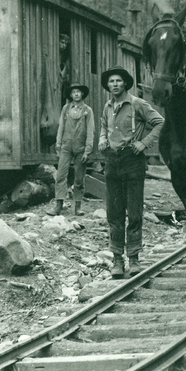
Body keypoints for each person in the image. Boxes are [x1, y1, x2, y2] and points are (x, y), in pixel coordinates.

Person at [98, 65, 165, 279]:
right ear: (108, 85)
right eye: (111, 81)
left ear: (125, 83)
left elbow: (160, 123)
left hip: (133, 160)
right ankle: (117, 259)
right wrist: (101, 140)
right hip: (112, 161)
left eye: (118, 81)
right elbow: (103, 126)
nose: (115, 84)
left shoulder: (138, 104)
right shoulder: (108, 107)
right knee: (114, 212)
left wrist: (144, 144)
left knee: (134, 211)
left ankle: (134, 258)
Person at [47, 83, 94, 217]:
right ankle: (58, 206)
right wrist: (58, 144)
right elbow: (61, 127)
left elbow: (91, 131)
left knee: (79, 178)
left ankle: (78, 207)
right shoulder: (65, 109)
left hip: (81, 147)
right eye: (74, 92)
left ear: (83, 94)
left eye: (79, 92)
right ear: (71, 95)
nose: (76, 94)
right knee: (61, 176)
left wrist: (88, 150)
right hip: (66, 147)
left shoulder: (87, 110)